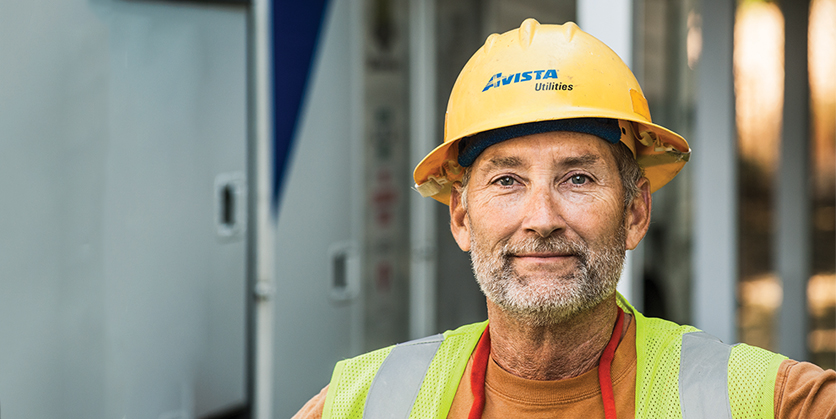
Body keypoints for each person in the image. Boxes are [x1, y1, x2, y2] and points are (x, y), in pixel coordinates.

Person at [294, 19, 835, 419]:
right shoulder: (362, 401)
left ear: (635, 212)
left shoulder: (770, 400)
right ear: (461, 216)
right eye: (507, 180)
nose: (542, 219)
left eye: (577, 178)